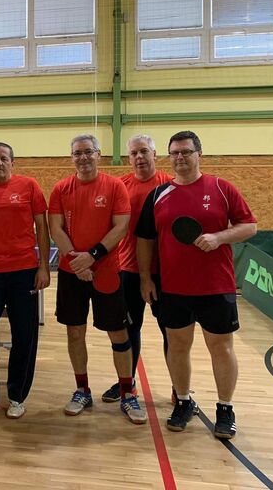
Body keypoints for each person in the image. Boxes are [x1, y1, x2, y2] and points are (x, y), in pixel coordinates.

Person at [136, 130, 256, 439]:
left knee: (221, 347)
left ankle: (225, 408)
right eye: (175, 152)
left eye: (186, 152)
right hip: (173, 288)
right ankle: (183, 401)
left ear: (199, 154)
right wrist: (146, 277)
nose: (180, 157)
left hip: (216, 286)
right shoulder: (158, 195)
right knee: (178, 345)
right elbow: (145, 239)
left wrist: (219, 237)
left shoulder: (221, 188)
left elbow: (249, 226)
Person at [48, 134, 147, 424]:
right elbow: (56, 228)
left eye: (88, 152)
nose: (83, 158)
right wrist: (76, 263)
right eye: (77, 153)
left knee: (118, 333)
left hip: (107, 272)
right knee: (75, 333)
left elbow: (121, 226)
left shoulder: (115, 186)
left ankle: (128, 393)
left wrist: (92, 256)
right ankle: (82, 390)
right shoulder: (61, 188)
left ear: (98, 154)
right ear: (72, 157)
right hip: (72, 273)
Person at [0, 142, 50, 420]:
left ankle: (17, 396)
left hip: (24, 272)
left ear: (13, 162)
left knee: (24, 336)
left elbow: (42, 227)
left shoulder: (29, 186)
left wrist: (43, 267)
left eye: (4, 158)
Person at [100, 134, 173, 403]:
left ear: (155, 154)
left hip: (164, 273)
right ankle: (126, 382)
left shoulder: (170, 185)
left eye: (144, 151)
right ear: (128, 158)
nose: (139, 157)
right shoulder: (120, 186)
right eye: (134, 153)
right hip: (127, 271)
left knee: (171, 332)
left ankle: (179, 389)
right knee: (130, 330)